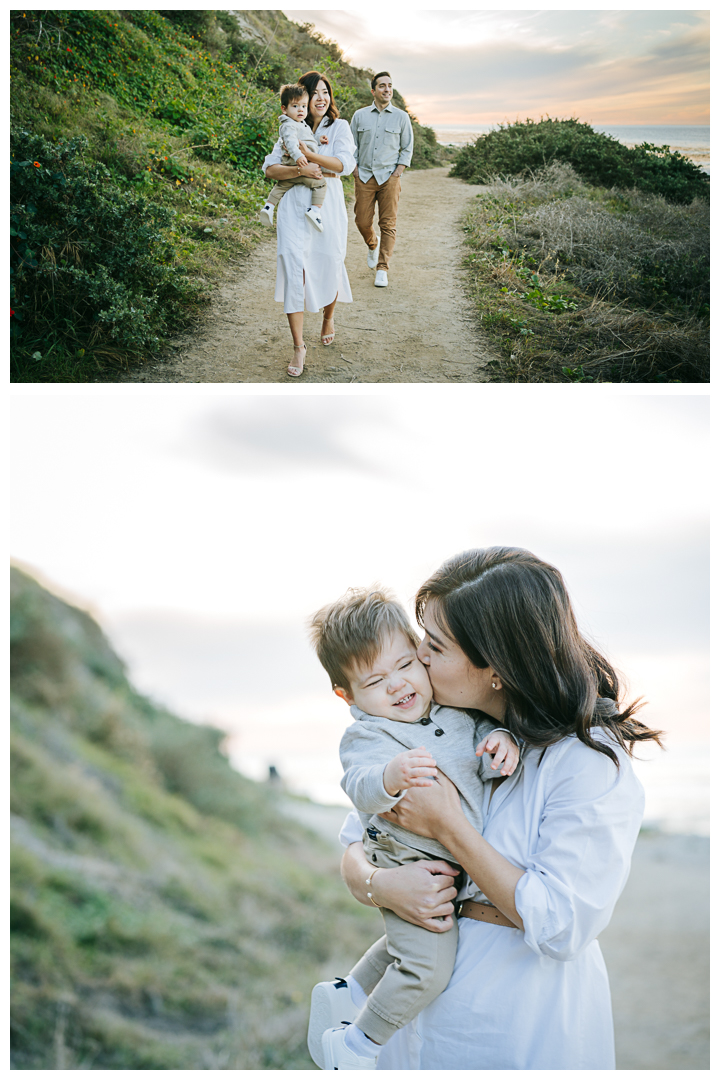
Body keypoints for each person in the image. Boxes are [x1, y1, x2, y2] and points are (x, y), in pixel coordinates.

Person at [337, 547, 664, 1070]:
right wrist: (381, 886)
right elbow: (356, 843)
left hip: (513, 1019)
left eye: (435, 646)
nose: (418, 657)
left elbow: (562, 926)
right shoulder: (429, 727)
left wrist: (447, 825)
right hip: (419, 1008)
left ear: (495, 666)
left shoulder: (586, 763)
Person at [306, 586, 519, 1070]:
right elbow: (358, 783)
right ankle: (355, 1046)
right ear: (347, 695)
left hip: (446, 865)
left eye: (405, 665)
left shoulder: (453, 712)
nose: (399, 685)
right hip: (410, 863)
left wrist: (501, 740)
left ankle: (350, 990)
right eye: (376, 680)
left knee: (407, 942)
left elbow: (481, 743)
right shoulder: (369, 734)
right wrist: (389, 776)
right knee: (426, 968)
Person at [262, 71, 356, 377]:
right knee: (293, 268)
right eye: (315, 93)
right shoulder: (289, 127)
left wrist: (308, 154)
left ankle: (329, 316)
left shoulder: (338, 127)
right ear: (300, 99)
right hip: (293, 204)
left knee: (331, 260)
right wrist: (301, 172)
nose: (321, 98)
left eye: (326, 92)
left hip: (326, 204)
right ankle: (298, 346)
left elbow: (344, 165)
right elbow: (271, 170)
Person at [350, 72, 413, 287]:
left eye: (390, 86)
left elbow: (407, 147)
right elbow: (351, 146)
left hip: (389, 178)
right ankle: (371, 243)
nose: (387, 89)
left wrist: (398, 172)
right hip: (365, 176)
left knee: (388, 223)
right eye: (382, 86)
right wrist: (355, 170)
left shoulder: (401, 117)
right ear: (373, 91)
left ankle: (382, 267)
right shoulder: (359, 116)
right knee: (362, 221)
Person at [259, 84, 327, 232]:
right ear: (284, 109)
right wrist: (298, 156)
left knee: (281, 186)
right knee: (320, 184)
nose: (301, 110)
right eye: (295, 106)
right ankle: (315, 211)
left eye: (303, 106)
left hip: (291, 167)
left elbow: (305, 138)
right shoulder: (288, 125)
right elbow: (290, 142)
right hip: (300, 163)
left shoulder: (299, 124)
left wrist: (318, 139)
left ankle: (268, 207)